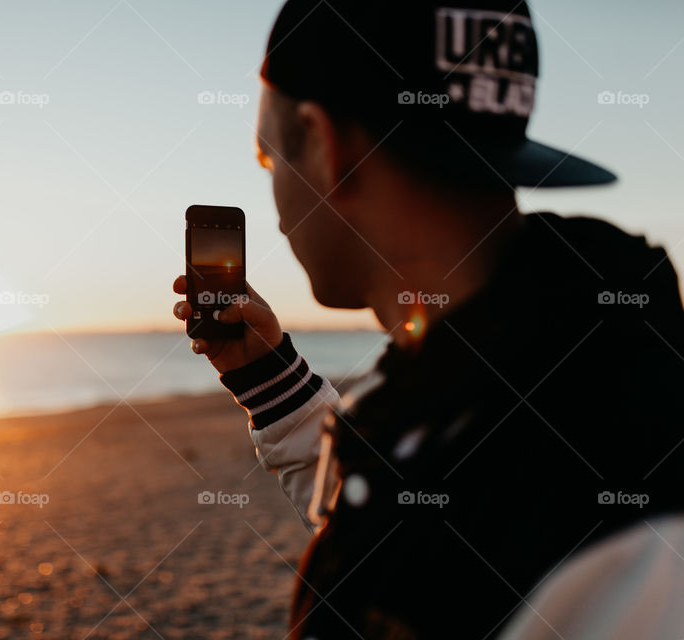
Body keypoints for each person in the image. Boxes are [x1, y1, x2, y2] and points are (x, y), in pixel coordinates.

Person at [173, 0, 684, 638]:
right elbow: (397, 516)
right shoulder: (503, 379)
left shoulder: (634, 542)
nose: (274, 200)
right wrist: (270, 382)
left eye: (268, 159)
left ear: (327, 147)